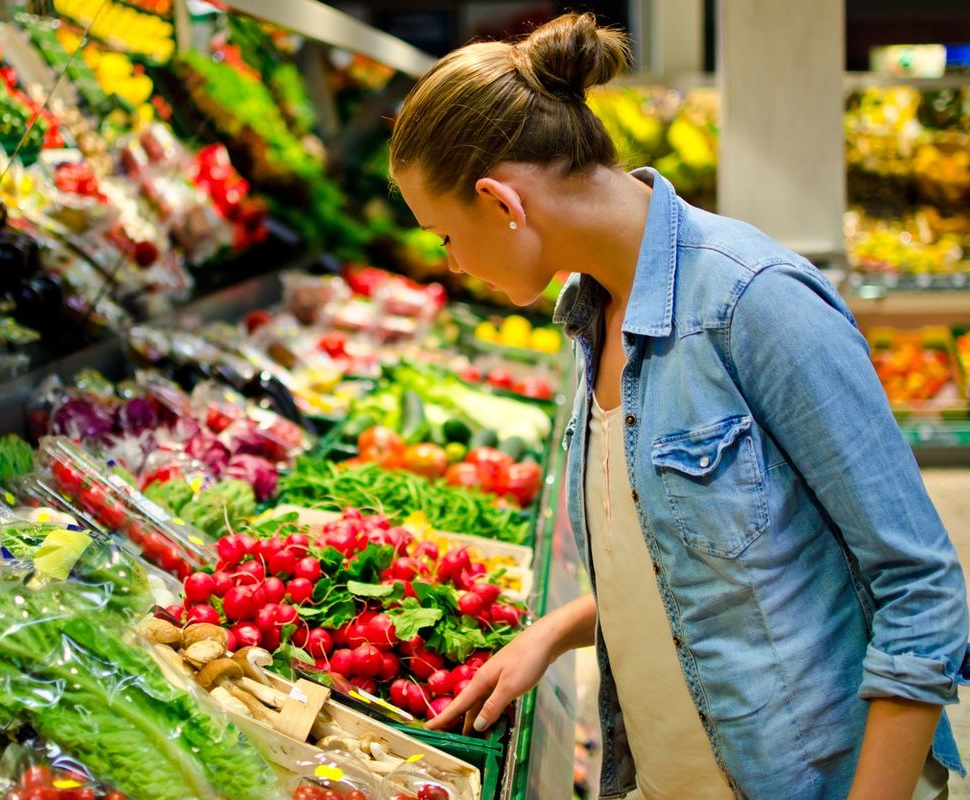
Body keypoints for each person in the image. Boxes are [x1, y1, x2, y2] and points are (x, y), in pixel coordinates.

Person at [389, 12, 968, 800]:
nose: (451, 264)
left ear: (501, 203)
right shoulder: (592, 314)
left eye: (443, 236)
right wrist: (557, 632)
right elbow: (701, 553)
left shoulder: (754, 303)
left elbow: (921, 589)